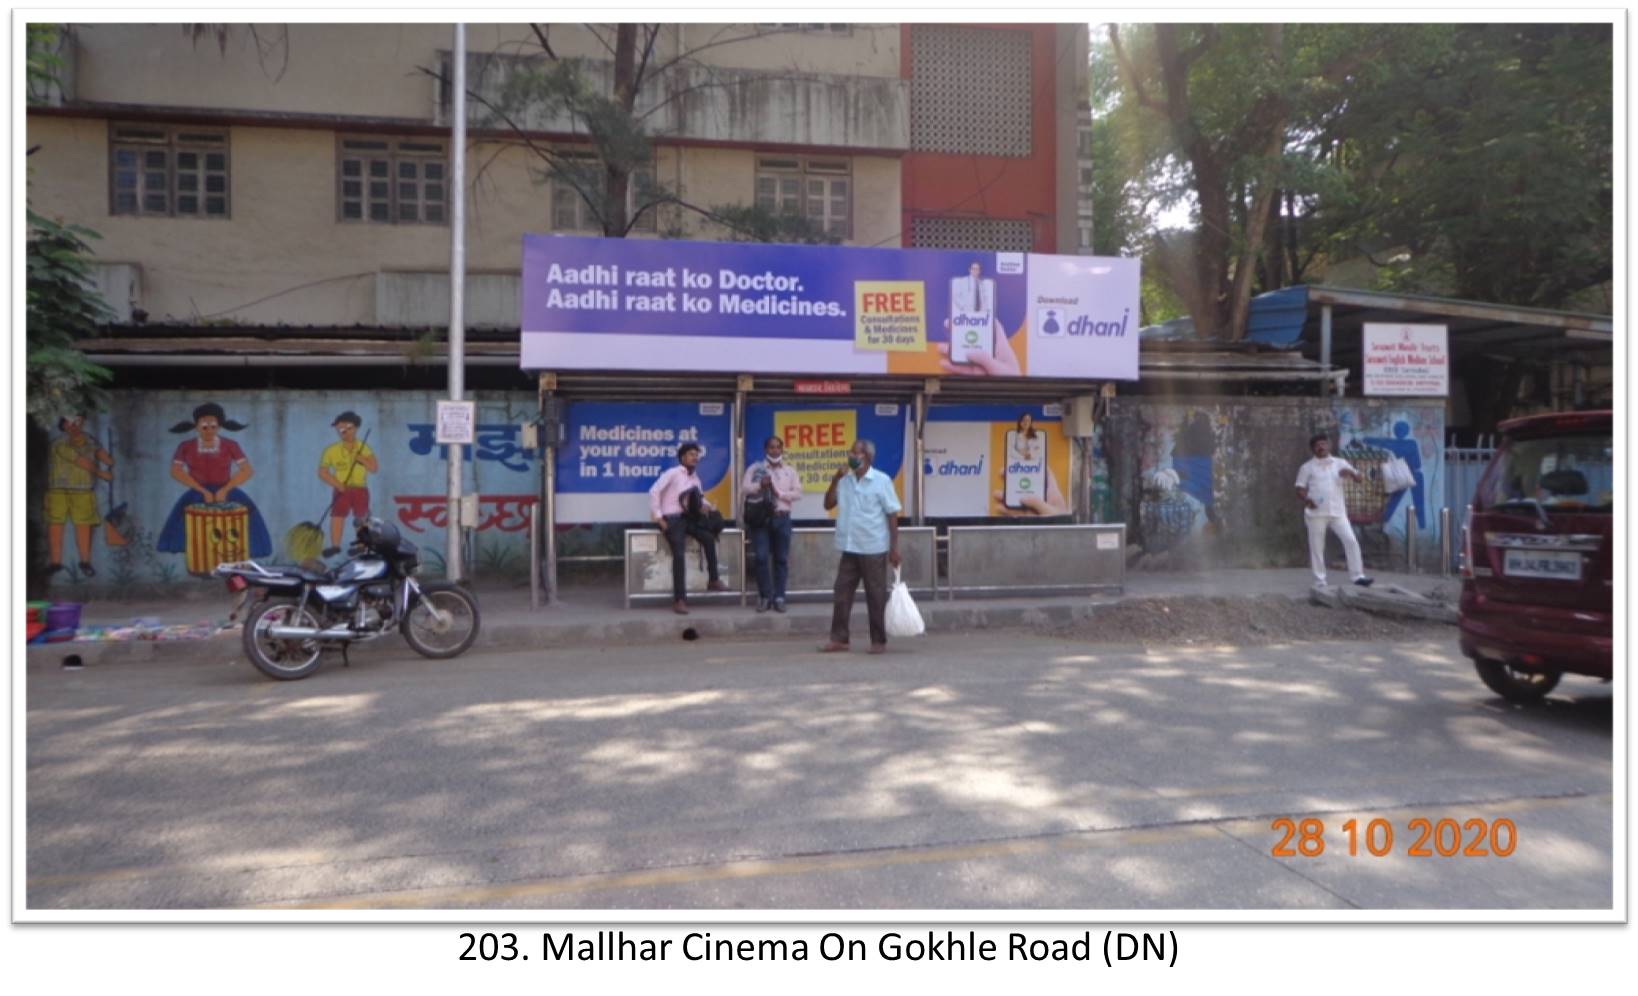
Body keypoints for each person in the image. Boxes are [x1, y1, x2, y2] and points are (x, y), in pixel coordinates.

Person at [156, 402, 272, 563]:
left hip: (227, 491)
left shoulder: (230, 445)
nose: (209, 431)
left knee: (238, 528)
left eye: (213, 427)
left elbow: (247, 470)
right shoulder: (186, 446)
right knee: (194, 529)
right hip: (197, 492)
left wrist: (225, 490)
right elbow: (175, 471)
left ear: (219, 427)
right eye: (204, 427)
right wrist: (202, 491)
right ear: (196, 426)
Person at [820, 439, 902, 655]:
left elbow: (892, 514)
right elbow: (828, 504)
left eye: (856, 453)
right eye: (851, 452)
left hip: (873, 546)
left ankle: (878, 640)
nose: (852, 456)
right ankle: (839, 639)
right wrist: (835, 479)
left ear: (867, 457)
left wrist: (894, 547)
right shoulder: (845, 481)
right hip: (849, 546)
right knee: (841, 592)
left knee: (875, 595)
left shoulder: (881, 481)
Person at [649, 442, 728, 615]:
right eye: (692, 454)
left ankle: (713, 580)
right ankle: (680, 600)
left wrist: (708, 507)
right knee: (679, 555)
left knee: (708, 538)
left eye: (696, 455)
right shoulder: (673, 473)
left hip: (688, 519)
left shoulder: (695, 478)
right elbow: (654, 491)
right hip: (672, 520)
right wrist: (659, 518)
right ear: (683, 457)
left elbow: (699, 499)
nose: (695, 457)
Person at [1295, 432, 1374, 589]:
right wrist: (1307, 500)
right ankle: (1320, 581)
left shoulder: (1340, 462)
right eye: (1317, 445)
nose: (1321, 447)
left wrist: (1350, 473)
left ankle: (1358, 576)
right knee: (1317, 547)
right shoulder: (1307, 467)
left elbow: (1359, 479)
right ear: (1313, 449)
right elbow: (1299, 488)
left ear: (1329, 445)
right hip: (1316, 514)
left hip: (1338, 513)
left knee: (1351, 541)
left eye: (1324, 443)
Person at [44, 415, 114, 577]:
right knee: (56, 525)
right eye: (71, 421)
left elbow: (106, 458)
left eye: (79, 421)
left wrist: (108, 461)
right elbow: (81, 461)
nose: (75, 425)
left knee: (83, 525)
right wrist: (102, 474)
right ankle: (55, 562)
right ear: (63, 424)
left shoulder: (89, 440)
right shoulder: (60, 443)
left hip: (83, 490)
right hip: (58, 490)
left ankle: (85, 562)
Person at [742, 435, 802, 613]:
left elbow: (798, 493)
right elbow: (744, 489)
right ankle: (765, 596)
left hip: (782, 518)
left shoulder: (789, 471)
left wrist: (780, 493)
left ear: (782, 449)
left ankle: (780, 597)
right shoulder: (755, 469)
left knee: (781, 559)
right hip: (761, 520)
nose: (775, 450)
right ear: (765, 450)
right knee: (761, 558)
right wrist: (759, 485)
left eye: (778, 447)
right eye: (771, 447)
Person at [318, 411, 379, 549]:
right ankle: (335, 546)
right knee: (337, 517)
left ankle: (362, 545)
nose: (343, 431)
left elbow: (374, 468)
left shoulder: (364, 449)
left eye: (347, 428)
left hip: (360, 488)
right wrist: (337, 484)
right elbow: (322, 472)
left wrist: (362, 459)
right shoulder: (331, 450)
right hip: (341, 488)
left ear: (356, 428)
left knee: (361, 518)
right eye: (340, 429)